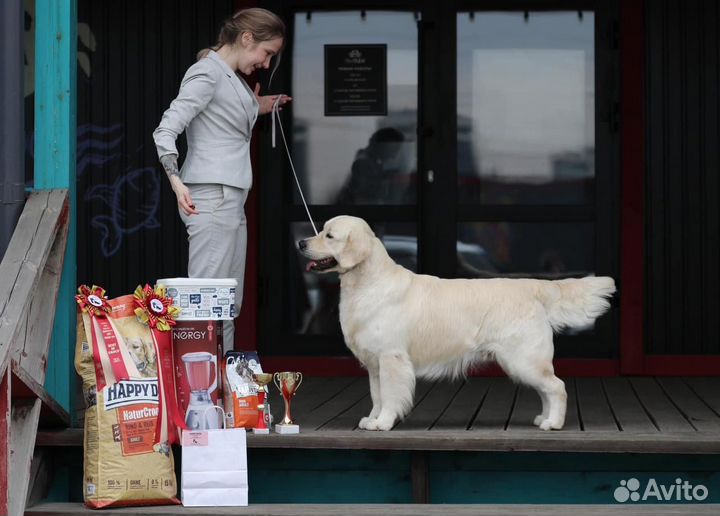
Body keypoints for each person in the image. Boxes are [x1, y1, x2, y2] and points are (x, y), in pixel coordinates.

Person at [153, 8, 291, 352]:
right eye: (267, 53)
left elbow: (223, 114)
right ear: (247, 38)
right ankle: (200, 395)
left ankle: (221, 391)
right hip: (211, 197)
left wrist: (259, 105)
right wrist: (174, 179)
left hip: (228, 199)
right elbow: (167, 129)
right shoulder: (207, 73)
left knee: (225, 303)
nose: (266, 63)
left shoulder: (225, 74)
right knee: (207, 303)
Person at [337, 127, 406, 204]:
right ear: (383, 146)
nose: (393, 156)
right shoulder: (363, 164)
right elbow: (363, 193)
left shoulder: (372, 161)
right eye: (394, 149)